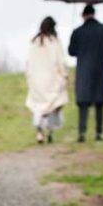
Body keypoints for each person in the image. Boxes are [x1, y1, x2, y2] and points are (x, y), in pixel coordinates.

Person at [68, 3, 103, 142]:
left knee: (83, 103)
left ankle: (82, 132)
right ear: (94, 14)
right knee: (99, 102)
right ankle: (99, 132)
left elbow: (71, 51)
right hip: (100, 71)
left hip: (83, 71)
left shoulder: (78, 32)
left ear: (83, 15)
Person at [24, 16, 68, 144]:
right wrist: (65, 75)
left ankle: (39, 130)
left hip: (36, 81)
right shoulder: (54, 42)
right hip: (51, 80)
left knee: (38, 106)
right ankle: (50, 131)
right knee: (52, 105)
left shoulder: (34, 42)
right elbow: (60, 62)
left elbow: (28, 63)